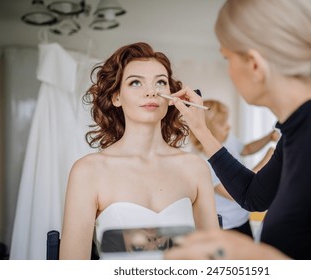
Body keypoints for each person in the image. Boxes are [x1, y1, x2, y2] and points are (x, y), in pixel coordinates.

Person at [165, 0, 311, 260]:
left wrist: (259, 258)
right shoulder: (297, 135)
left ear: (255, 64)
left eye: (227, 58)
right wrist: (201, 130)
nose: (229, 70)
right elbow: (252, 196)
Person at [59, 42, 219, 260]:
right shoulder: (88, 171)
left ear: (172, 97)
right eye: (135, 82)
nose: (151, 92)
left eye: (160, 83)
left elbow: (214, 258)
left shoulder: (196, 168)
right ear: (116, 97)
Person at [189, 99, 279, 238]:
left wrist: (268, 138)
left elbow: (247, 148)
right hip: (227, 225)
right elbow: (236, 192)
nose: (228, 127)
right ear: (208, 129)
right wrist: (268, 159)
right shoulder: (204, 162)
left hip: (243, 217)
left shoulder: (227, 140)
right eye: (222, 123)